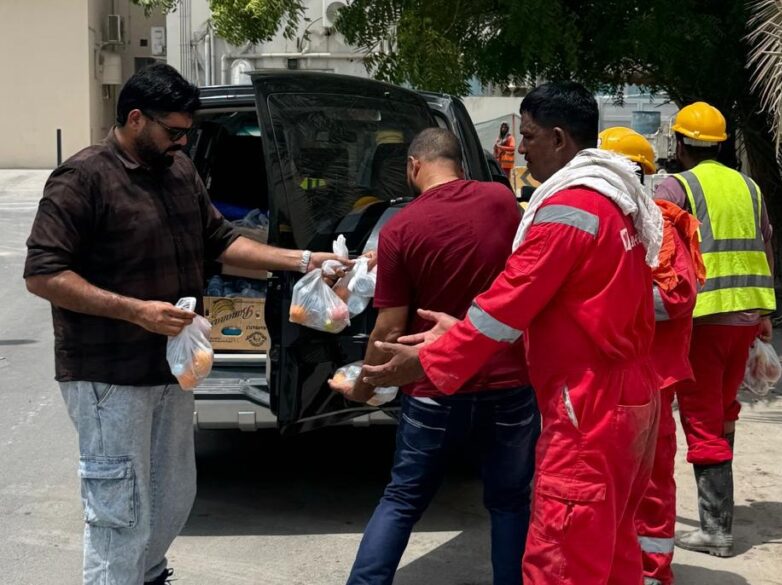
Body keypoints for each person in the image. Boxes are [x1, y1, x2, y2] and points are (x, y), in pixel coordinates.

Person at [22, 64, 340, 585]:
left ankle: (147, 576)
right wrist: (136, 310)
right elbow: (43, 274)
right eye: (173, 131)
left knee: (171, 496)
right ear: (135, 119)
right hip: (108, 376)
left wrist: (303, 261)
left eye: (187, 132)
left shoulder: (178, 171)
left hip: (172, 368)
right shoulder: (82, 178)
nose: (183, 141)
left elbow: (222, 242)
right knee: (120, 511)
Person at [362, 83, 665, 584]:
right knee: (611, 554)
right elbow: (564, 309)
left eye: (528, 136)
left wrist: (429, 360)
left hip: (586, 407)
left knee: (561, 562)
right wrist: (460, 331)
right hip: (626, 400)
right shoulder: (613, 201)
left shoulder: (569, 211)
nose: (519, 149)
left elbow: (507, 304)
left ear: (560, 139)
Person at [329, 127, 538, 585]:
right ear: (459, 162)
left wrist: (362, 387)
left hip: (433, 385)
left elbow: (389, 329)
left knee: (402, 500)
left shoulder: (400, 228)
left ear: (414, 166)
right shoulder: (501, 200)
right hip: (508, 380)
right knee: (509, 502)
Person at [653, 101, 776, 557]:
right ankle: (718, 515)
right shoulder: (749, 186)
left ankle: (716, 531)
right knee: (723, 411)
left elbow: (658, 251)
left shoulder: (677, 185)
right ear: (721, 144)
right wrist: (765, 314)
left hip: (703, 319)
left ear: (680, 144)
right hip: (746, 317)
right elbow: (766, 245)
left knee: (701, 419)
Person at [600, 126, 702, 584]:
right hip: (605, 374)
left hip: (651, 379)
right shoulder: (598, 220)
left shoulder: (659, 225)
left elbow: (676, 298)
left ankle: (651, 569)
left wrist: (610, 302)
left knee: (652, 477)